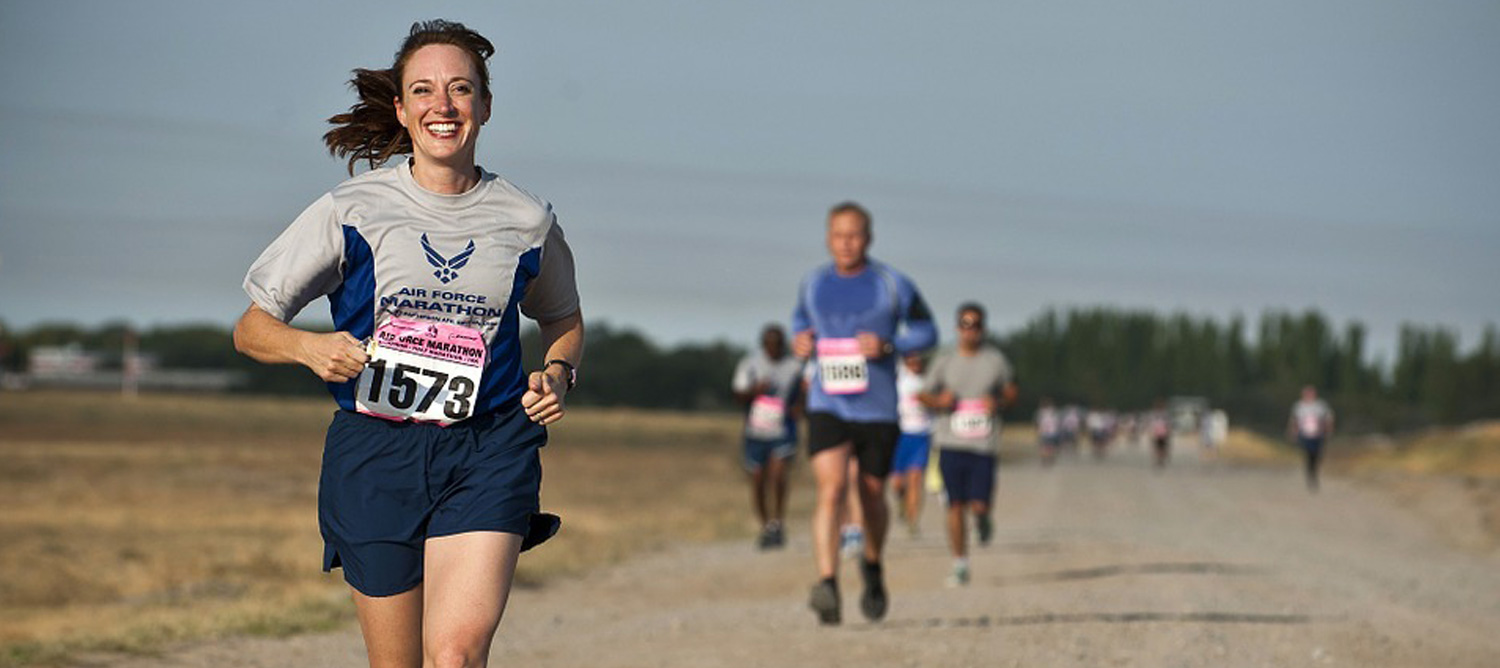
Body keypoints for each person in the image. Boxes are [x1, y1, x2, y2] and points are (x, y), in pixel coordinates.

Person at [232, 20, 584, 668]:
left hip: (489, 446)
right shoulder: (351, 210)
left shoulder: (526, 220)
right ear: (400, 107)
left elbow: (563, 316)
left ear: (484, 104)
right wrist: (311, 350)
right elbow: (252, 328)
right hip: (376, 452)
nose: (442, 106)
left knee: (454, 655)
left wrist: (557, 372)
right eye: (423, 90)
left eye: (460, 89)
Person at [792, 201, 937, 625]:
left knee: (872, 495)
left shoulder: (892, 284)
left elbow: (927, 330)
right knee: (832, 489)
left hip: (877, 408)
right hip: (828, 403)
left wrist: (891, 346)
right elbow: (799, 323)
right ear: (827, 238)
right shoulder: (813, 283)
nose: (846, 243)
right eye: (838, 235)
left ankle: (872, 566)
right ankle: (827, 583)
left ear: (868, 239)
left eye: (854, 235)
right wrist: (800, 341)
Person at [917, 303, 1017, 587]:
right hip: (950, 442)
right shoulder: (945, 360)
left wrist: (997, 402)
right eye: (965, 324)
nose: (970, 330)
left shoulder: (995, 360)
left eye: (976, 325)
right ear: (957, 327)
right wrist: (939, 402)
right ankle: (960, 563)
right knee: (954, 505)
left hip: (983, 445)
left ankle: (983, 520)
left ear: (983, 328)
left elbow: (1012, 391)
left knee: (979, 504)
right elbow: (922, 394)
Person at [730, 324, 804, 549]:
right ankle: (765, 526)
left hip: (783, 431)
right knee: (758, 480)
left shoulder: (794, 366)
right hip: (755, 432)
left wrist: (798, 408)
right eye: (770, 344)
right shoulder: (749, 364)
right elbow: (738, 394)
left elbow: (805, 392)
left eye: (778, 344)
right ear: (763, 345)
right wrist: (755, 391)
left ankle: (777, 521)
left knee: (779, 475)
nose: (774, 348)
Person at [890, 353, 933, 536]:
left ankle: (913, 521)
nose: (915, 363)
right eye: (911, 359)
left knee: (916, 479)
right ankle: (902, 501)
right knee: (897, 483)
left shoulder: (929, 381)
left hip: (922, 435)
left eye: (918, 359)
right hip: (900, 435)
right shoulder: (898, 378)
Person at [1287, 386, 1335, 491]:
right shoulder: (1299, 406)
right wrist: (1293, 432)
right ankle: (1310, 473)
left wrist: (1329, 429)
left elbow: (1328, 418)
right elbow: (1294, 420)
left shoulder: (1321, 405)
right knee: (1308, 454)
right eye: (1307, 393)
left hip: (1318, 434)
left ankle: (1313, 470)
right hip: (1304, 434)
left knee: (1317, 455)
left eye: (1311, 393)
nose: (1309, 395)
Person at [1034, 397, 1061, 467]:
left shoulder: (1040, 413)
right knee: (1052, 447)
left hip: (1043, 432)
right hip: (1053, 432)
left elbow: (1037, 423)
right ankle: (1050, 458)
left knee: (1043, 447)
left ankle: (1045, 459)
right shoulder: (1054, 413)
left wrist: (1037, 431)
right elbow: (1058, 423)